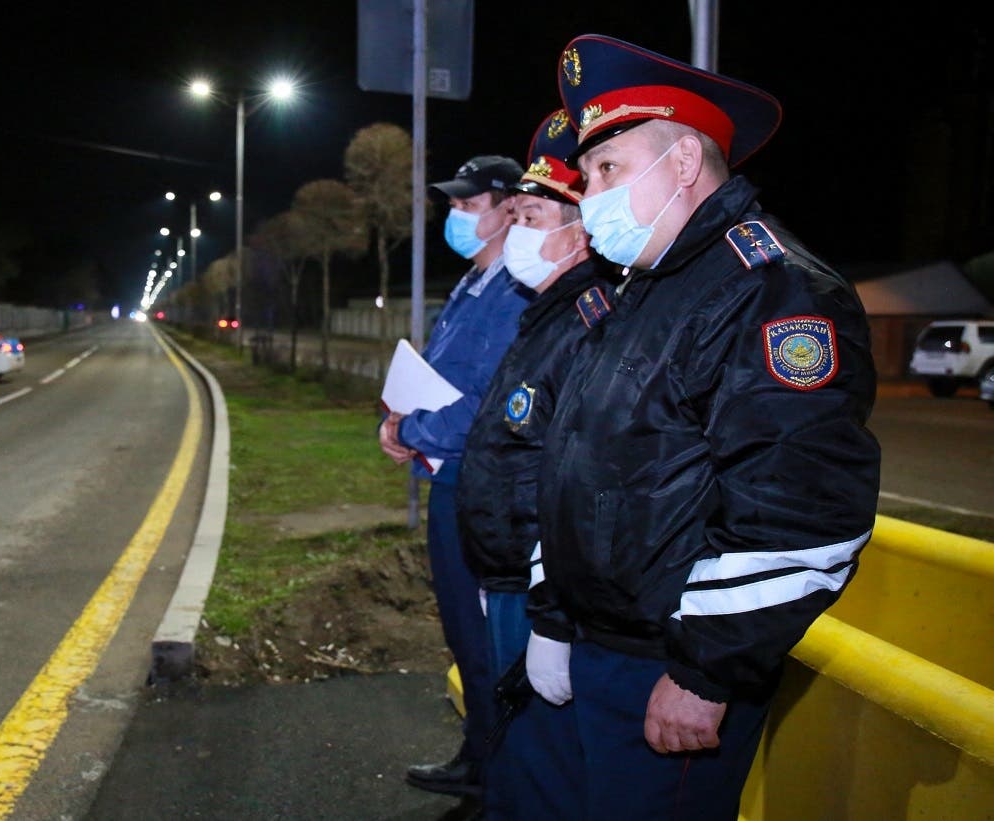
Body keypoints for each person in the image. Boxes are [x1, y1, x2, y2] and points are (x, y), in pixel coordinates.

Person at [505, 34, 882, 819]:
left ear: (681, 163)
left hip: (669, 667)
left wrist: (707, 671)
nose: (592, 190)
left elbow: (800, 511)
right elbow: (577, 457)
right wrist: (552, 612)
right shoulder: (643, 289)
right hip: (597, 643)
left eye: (607, 169)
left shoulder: (771, 291)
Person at [452, 109, 615, 813]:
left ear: (581, 231)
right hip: (512, 572)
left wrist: (544, 608)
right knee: (519, 755)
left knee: (541, 765)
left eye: (531, 215)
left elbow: (573, 475)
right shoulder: (544, 311)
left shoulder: (589, 319)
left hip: (540, 582)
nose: (517, 230)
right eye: (513, 213)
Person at [378, 154, 534, 799]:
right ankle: (480, 757)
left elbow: (491, 402)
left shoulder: (517, 289)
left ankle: (503, 774)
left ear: (508, 211)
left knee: (489, 636)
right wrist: (397, 421)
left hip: (483, 486)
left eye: (470, 206)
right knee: (463, 631)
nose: (456, 216)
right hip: (450, 480)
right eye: (453, 205)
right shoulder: (472, 285)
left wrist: (412, 432)